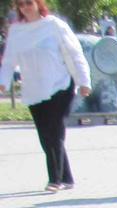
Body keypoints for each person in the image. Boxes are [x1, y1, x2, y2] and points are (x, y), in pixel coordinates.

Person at [0, 0, 90, 193]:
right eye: (20, 4)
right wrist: (3, 81)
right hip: (35, 90)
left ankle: (55, 179)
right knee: (46, 135)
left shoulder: (54, 25)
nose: (25, 6)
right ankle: (67, 177)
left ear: (38, 3)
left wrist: (84, 81)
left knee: (54, 132)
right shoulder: (16, 32)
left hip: (60, 86)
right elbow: (9, 61)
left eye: (28, 2)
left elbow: (75, 53)